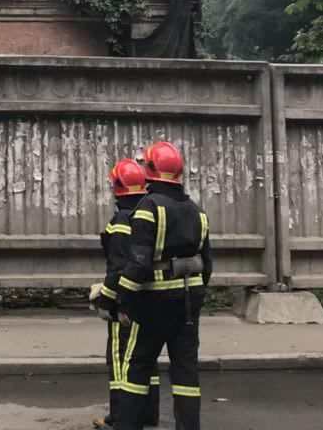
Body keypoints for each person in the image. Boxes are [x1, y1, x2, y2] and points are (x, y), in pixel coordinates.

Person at [110, 141, 212, 430]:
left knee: (139, 365)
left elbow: (138, 262)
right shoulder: (197, 211)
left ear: (151, 171)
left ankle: (127, 426)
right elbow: (207, 264)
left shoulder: (148, 207)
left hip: (153, 303)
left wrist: (124, 303)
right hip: (189, 303)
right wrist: (197, 297)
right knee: (186, 371)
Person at [90, 158, 160, 429]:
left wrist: (105, 299)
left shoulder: (121, 220)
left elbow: (118, 269)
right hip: (151, 297)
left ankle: (118, 417)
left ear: (117, 187)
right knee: (146, 360)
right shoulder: (150, 212)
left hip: (126, 303)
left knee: (120, 363)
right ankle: (147, 414)